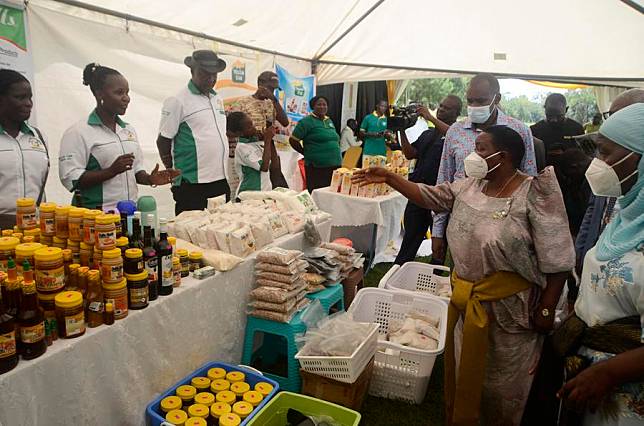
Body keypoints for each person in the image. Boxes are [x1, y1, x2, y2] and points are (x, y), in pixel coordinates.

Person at [353, 125, 573, 425]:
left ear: (504, 156)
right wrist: (392, 178)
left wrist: (547, 308)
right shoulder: (470, 185)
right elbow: (429, 196)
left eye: (481, 148)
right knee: (466, 370)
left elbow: (558, 258)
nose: (473, 155)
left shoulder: (533, 193)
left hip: (511, 311)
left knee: (501, 384)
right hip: (467, 303)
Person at [556, 103, 644, 425]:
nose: (598, 164)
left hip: (625, 399)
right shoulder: (628, 213)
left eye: (606, 154)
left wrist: (608, 373)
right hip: (590, 378)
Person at [432, 73, 537, 265]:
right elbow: (443, 182)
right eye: (470, 100)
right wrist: (438, 231)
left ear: (496, 99)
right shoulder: (456, 131)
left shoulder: (519, 130)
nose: (474, 106)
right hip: (462, 223)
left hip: (502, 229)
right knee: (462, 281)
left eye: (481, 100)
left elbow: (530, 182)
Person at [59, 64, 179, 211]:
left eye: (127, 93)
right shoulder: (78, 132)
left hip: (129, 213)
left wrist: (149, 179)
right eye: (119, 92)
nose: (126, 98)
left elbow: (135, 170)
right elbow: (71, 178)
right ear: (100, 94)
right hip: (96, 218)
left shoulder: (128, 130)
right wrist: (111, 171)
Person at [575, 88, 644, 277]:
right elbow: (593, 210)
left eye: (622, 117)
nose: (600, 161)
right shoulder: (614, 169)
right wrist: (581, 253)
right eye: (610, 116)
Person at [156, 50, 230, 214]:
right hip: (192, 183)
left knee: (221, 230)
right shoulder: (178, 100)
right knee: (191, 234)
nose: (211, 79)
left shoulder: (217, 99)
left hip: (219, 178)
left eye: (214, 75)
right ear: (192, 71)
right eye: (204, 74)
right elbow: (163, 140)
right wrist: (171, 170)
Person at [394, 95, 461, 265]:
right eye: (441, 105)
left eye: (447, 108)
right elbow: (410, 154)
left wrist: (429, 117)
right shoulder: (428, 133)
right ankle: (398, 273)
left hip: (440, 198)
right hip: (419, 194)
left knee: (438, 247)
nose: (441, 109)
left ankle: (435, 279)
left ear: (457, 113)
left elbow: (454, 136)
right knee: (409, 240)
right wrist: (401, 130)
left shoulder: (459, 134)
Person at [0, 70, 49, 230]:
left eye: (29, 97)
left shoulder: (39, 137)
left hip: (34, 231)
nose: (28, 103)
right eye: (20, 97)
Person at [231, 70, 289, 189]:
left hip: (268, 147)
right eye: (269, 88)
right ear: (260, 83)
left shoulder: (270, 103)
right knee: (254, 185)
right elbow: (234, 128)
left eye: (274, 90)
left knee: (275, 184)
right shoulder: (243, 102)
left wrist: (274, 99)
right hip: (249, 151)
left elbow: (285, 122)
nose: (271, 92)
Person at [289, 96, 341, 192]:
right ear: (313, 106)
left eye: (324, 104)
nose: (322, 107)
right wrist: (306, 153)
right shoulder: (306, 122)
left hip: (334, 165)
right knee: (317, 193)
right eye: (319, 104)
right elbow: (293, 140)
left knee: (331, 193)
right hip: (317, 167)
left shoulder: (329, 121)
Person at [227, 111, 278, 196]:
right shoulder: (241, 148)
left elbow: (274, 165)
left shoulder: (257, 142)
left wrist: (269, 140)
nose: (254, 128)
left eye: (252, 124)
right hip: (250, 194)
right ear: (240, 133)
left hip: (264, 191)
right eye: (249, 127)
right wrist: (267, 140)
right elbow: (264, 167)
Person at [530, 93, 584, 165]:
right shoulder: (534, 130)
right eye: (549, 115)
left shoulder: (577, 128)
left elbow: (582, 156)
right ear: (544, 108)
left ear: (566, 109)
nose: (554, 120)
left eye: (559, 116)